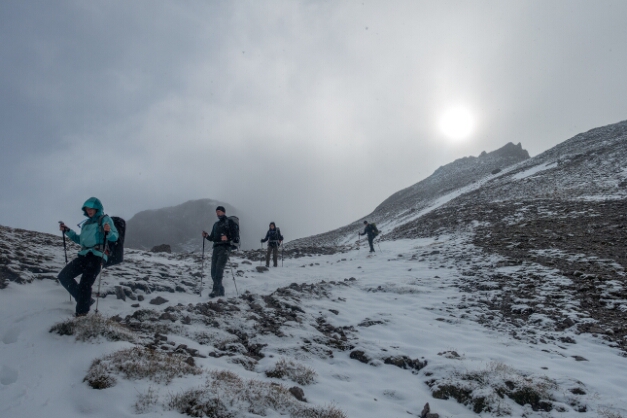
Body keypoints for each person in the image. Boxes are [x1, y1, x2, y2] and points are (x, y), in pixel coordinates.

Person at [58, 197, 119, 317]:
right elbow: (80, 240)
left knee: (85, 283)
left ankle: (82, 314)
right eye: (87, 209)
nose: (89, 211)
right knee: (64, 276)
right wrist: (67, 231)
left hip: (97, 256)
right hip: (84, 255)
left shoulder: (104, 219)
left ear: (97, 208)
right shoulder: (86, 224)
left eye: (91, 208)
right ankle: (85, 301)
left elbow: (114, 237)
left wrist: (109, 231)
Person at [202, 206, 238, 298]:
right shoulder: (216, 224)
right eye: (216, 211)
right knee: (213, 270)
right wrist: (206, 236)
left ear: (224, 212)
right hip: (216, 247)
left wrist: (228, 238)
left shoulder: (229, 222)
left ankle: (216, 290)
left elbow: (235, 236)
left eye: (219, 211)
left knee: (219, 268)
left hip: (225, 247)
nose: (217, 213)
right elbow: (213, 238)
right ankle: (220, 290)